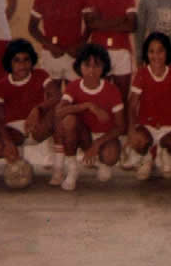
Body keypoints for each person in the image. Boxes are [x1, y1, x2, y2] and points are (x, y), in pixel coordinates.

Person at [53, 44, 125, 191]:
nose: (91, 70)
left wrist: (97, 144)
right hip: (83, 136)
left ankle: (102, 162)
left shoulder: (112, 90)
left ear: (104, 67)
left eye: (96, 65)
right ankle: (72, 169)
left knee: (111, 156)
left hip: (103, 137)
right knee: (68, 120)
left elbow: (120, 127)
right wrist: (88, 106)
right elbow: (58, 112)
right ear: (79, 66)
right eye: (87, 65)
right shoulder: (74, 86)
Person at [0, 39, 60, 177]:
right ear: (9, 62)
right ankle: (17, 157)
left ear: (32, 60)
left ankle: (56, 158)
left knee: (59, 111)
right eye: (17, 60)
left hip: (38, 125)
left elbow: (57, 96)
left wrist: (38, 109)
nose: (22, 65)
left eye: (26, 59)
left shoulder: (40, 75)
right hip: (14, 130)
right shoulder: (0, 86)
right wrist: (8, 143)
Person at [128, 32, 171, 180]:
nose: (156, 56)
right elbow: (132, 106)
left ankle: (164, 152)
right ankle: (147, 158)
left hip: (169, 128)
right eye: (151, 51)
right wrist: (131, 130)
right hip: (147, 126)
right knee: (138, 142)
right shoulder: (142, 74)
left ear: (167, 52)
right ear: (146, 54)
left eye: (160, 51)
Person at [29, 0, 89, 90]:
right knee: (52, 95)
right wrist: (50, 46)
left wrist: (79, 46)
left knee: (73, 93)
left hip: (74, 54)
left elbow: (89, 25)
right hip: (51, 54)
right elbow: (32, 28)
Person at [84, 0, 137, 105]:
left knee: (122, 98)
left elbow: (131, 26)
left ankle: (121, 121)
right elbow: (91, 24)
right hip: (99, 52)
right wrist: (120, 20)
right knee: (101, 97)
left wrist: (102, 22)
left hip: (122, 52)